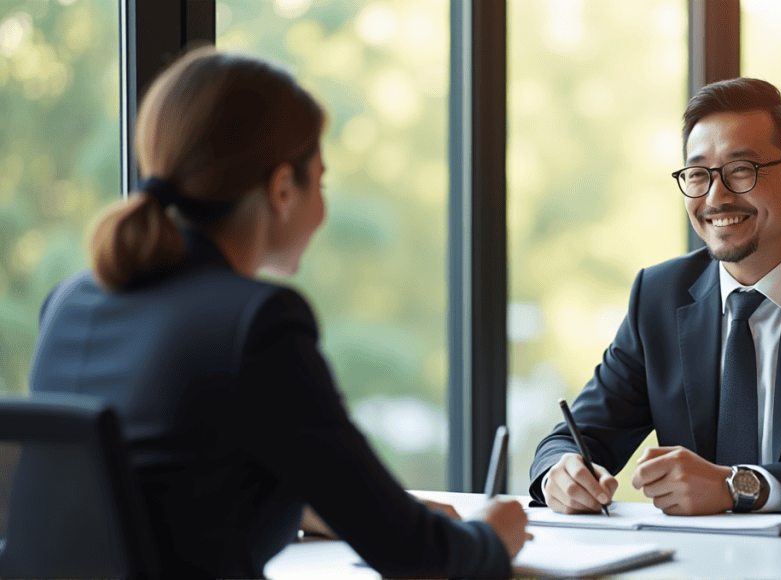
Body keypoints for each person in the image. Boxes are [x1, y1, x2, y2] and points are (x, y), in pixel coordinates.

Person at [28, 47, 530, 578]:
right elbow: (417, 557)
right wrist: (493, 534)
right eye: (321, 180)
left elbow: (167, 497)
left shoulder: (69, 302)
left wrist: (320, 506)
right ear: (282, 187)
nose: (324, 208)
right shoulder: (255, 323)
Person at [529, 77, 781, 517]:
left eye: (741, 170)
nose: (715, 197)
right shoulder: (659, 298)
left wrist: (738, 486)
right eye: (698, 174)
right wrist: (560, 474)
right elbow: (576, 436)